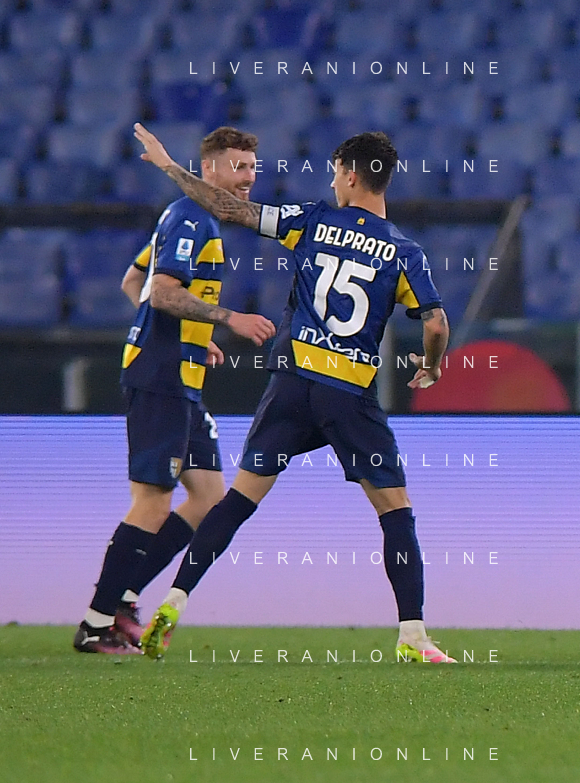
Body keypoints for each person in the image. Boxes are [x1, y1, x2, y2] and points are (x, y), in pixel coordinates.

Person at [130, 123, 456, 663]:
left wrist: (168, 166)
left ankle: (174, 600)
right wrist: (433, 365)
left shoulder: (312, 220)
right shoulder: (405, 252)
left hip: (291, 384)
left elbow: (229, 208)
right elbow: (437, 322)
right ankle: (413, 636)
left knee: (238, 500)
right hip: (347, 393)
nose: (332, 184)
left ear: (351, 177)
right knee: (394, 511)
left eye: (335, 175)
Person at [75, 128, 276, 654]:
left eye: (253, 168)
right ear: (208, 169)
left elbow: (134, 282)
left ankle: (124, 598)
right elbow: (162, 293)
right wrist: (226, 319)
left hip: (181, 375)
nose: (249, 178)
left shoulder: (190, 217)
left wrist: (194, 336)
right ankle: (96, 622)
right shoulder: (191, 217)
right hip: (160, 377)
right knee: (152, 501)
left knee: (207, 497)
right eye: (238, 167)